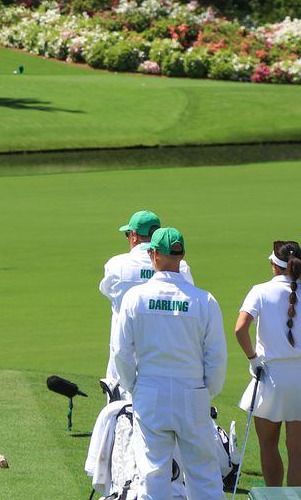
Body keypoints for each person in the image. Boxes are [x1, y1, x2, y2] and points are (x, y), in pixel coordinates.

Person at [114, 227, 227, 500]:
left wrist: (133, 386)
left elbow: (121, 352)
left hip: (150, 392)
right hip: (192, 392)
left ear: (153, 254)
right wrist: (206, 391)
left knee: (153, 476)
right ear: (182, 256)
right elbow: (217, 357)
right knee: (204, 475)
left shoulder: (135, 298)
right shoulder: (205, 300)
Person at [100, 210, 194, 397]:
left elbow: (107, 291)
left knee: (121, 421)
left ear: (134, 235)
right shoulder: (181, 266)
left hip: (124, 359)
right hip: (166, 360)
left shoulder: (116, 265)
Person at [233, 240, 301, 487]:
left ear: (274, 265)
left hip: (270, 378)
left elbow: (240, 328)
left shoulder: (260, 291)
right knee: (298, 453)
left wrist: (253, 358)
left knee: (268, 445)